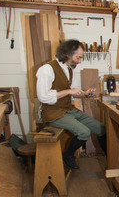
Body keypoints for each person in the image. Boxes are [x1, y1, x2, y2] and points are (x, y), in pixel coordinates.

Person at [36, 39, 106, 170]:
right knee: (84, 133)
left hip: (68, 110)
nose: (79, 61)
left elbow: (73, 93)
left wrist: (85, 93)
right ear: (67, 54)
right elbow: (43, 96)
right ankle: (68, 155)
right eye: (78, 57)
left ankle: (111, 160)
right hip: (53, 113)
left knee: (101, 129)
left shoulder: (69, 70)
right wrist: (69, 91)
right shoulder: (47, 69)